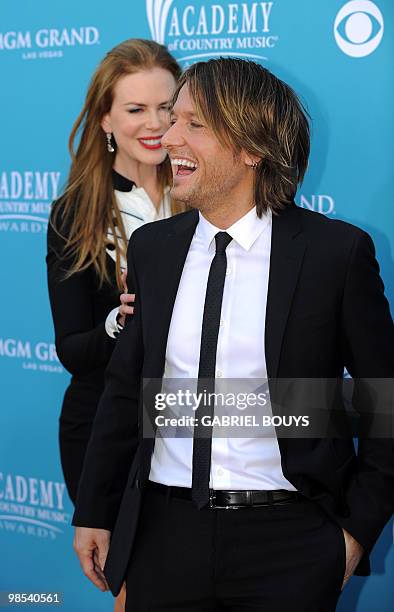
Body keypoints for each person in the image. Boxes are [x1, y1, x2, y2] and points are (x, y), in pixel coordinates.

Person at [72, 58, 394, 612]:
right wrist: (94, 512)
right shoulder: (154, 250)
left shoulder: (334, 255)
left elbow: (384, 406)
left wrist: (350, 536)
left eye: (193, 124)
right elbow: (126, 393)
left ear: (252, 148)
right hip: (162, 535)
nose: (168, 137)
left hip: (290, 542)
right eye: (174, 120)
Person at [46, 39, 183, 609]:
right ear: (105, 118)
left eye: (168, 107)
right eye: (136, 110)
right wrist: (117, 323)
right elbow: (73, 350)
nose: (155, 125)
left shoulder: (208, 193)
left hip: (197, 429)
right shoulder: (78, 211)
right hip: (108, 431)